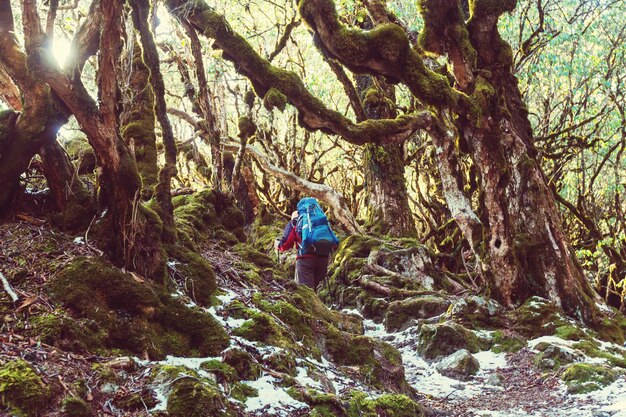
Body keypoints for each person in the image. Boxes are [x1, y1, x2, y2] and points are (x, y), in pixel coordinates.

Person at [274, 201, 338, 290]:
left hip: (305, 260)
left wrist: (278, 245)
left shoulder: (296, 222)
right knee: (313, 291)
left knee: (305, 292)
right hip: (323, 260)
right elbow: (333, 240)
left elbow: (286, 244)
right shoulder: (322, 220)